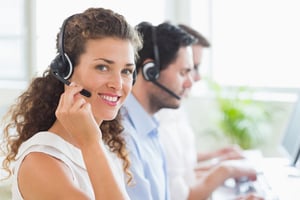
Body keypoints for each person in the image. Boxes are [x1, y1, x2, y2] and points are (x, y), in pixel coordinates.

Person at [0, 7, 142, 200]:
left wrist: (92, 143)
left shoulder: (102, 147)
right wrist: (90, 143)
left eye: (126, 71)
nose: (118, 84)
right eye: (103, 67)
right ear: (65, 71)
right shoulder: (41, 161)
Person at [155, 24, 260, 200]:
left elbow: (183, 168)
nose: (195, 77)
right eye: (188, 69)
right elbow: (180, 191)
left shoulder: (176, 109)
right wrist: (224, 169)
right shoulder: (158, 118)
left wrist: (216, 159)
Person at [120, 21, 196, 200]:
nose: (190, 83)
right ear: (150, 70)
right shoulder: (124, 137)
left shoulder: (149, 128)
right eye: (183, 73)